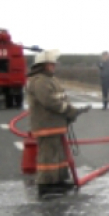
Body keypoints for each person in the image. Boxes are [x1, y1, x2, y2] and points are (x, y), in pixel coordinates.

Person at [26, 49, 89, 198]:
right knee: (48, 157)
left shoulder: (50, 80)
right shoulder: (40, 81)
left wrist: (70, 112)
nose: (54, 66)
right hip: (46, 126)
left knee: (59, 156)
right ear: (44, 65)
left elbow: (60, 99)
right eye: (52, 64)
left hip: (55, 125)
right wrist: (69, 111)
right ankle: (45, 185)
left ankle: (58, 181)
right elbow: (51, 102)